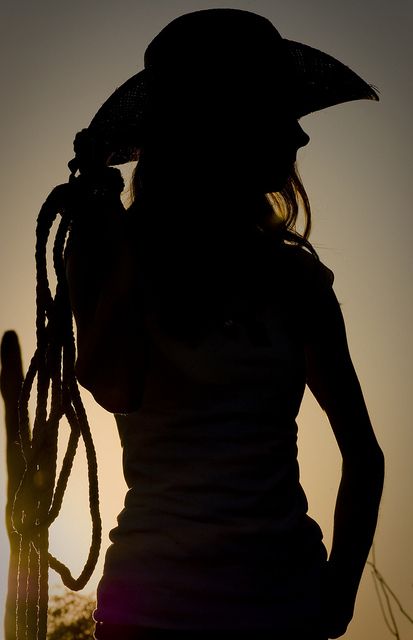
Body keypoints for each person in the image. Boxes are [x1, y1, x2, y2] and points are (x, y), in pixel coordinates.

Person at [64, 9, 385, 640]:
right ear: (221, 124)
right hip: (151, 616)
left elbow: (364, 457)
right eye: (276, 111)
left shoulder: (297, 282)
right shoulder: (104, 251)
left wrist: (337, 599)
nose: (300, 137)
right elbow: (115, 388)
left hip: (282, 608)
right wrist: (117, 246)